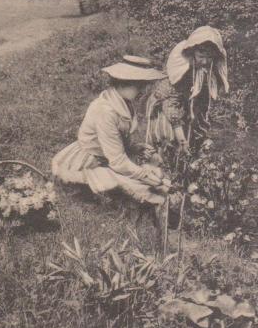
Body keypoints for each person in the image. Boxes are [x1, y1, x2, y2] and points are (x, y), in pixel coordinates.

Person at [52, 55, 170, 210]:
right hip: (90, 161)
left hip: (109, 156)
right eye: (139, 86)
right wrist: (144, 175)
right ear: (122, 83)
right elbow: (118, 161)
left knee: (159, 181)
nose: (143, 90)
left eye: (144, 85)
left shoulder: (123, 101)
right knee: (147, 191)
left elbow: (117, 140)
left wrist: (135, 147)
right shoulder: (105, 111)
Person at [145, 25, 229, 155]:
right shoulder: (182, 70)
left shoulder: (208, 72)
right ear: (192, 52)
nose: (205, 61)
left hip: (185, 108)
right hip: (164, 108)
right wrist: (182, 139)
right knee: (168, 144)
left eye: (210, 57)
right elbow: (171, 103)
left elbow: (203, 103)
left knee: (192, 143)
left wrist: (201, 128)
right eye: (201, 56)